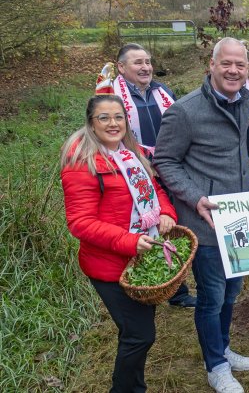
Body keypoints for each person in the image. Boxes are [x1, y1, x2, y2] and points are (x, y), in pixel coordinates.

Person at [154, 38, 249, 393]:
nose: (234, 70)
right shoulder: (186, 110)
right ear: (212, 64)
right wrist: (195, 197)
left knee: (233, 290)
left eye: (240, 64)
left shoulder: (244, 100)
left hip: (240, 217)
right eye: (227, 64)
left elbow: (233, 146)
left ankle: (222, 347)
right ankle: (216, 366)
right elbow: (165, 160)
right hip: (205, 222)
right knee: (211, 296)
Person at [61, 94, 178, 393]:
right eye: (104, 117)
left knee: (138, 332)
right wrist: (129, 241)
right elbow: (80, 223)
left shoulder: (130, 154)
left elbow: (154, 189)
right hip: (110, 265)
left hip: (140, 257)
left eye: (118, 117)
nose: (113, 124)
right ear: (91, 122)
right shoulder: (82, 163)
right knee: (139, 335)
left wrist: (165, 212)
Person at [103, 43, 196, 308]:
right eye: (137, 63)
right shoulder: (112, 96)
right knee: (143, 224)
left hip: (170, 165)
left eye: (147, 62)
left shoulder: (162, 91)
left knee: (170, 222)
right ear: (121, 67)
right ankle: (140, 284)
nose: (145, 67)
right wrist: (142, 162)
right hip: (133, 169)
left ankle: (174, 287)